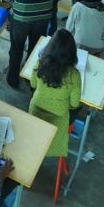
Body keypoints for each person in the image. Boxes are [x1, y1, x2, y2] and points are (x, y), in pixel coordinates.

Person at [29, 29, 81, 157]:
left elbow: (33, 85)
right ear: (71, 52)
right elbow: (74, 104)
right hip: (58, 117)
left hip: (35, 110)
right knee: (78, 109)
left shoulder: (40, 63)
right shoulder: (74, 75)